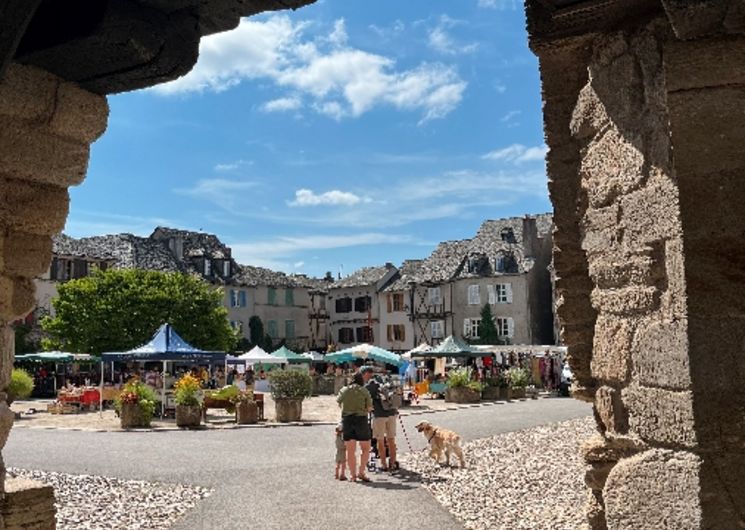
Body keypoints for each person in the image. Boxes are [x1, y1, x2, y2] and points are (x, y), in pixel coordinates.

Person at [336, 370, 373, 482]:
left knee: (350, 450)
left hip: (347, 420)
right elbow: (370, 408)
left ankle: (353, 475)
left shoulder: (344, 390)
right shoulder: (364, 391)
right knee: (366, 448)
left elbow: (338, 402)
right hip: (361, 420)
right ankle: (361, 472)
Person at [365, 367, 399, 472]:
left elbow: (366, 399)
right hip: (392, 413)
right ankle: (393, 463)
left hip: (379, 415)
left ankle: (384, 464)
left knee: (380, 440)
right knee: (391, 439)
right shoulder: (391, 382)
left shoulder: (371, 385)